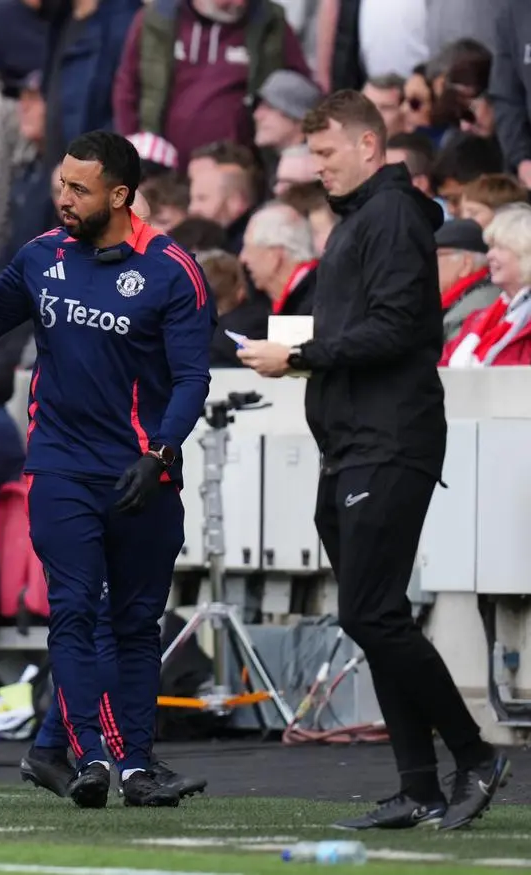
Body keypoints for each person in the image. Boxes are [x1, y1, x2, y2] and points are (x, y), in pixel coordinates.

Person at [237, 90, 512, 832]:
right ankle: (418, 785)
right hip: (355, 443)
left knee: (371, 612)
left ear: (368, 145)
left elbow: (399, 328)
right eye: (313, 155)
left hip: (387, 441)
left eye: (327, 153)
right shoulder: (368, 218)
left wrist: (299, 355)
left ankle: (474, 754)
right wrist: (305, 355)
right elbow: (377, 327)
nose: (318, 168)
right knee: (373, 615)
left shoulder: (388, 216)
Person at [0, 130, 213, 809]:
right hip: (59, 466)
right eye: (62, 183)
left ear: (119, 195)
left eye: (79, 189)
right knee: (76, 610)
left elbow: (192, 379)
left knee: (138, 623)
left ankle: (132, 764)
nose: (64, 198)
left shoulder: (173, 270)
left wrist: (160, 452)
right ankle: (94, 755)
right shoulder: (40, 256)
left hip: (142, 470)